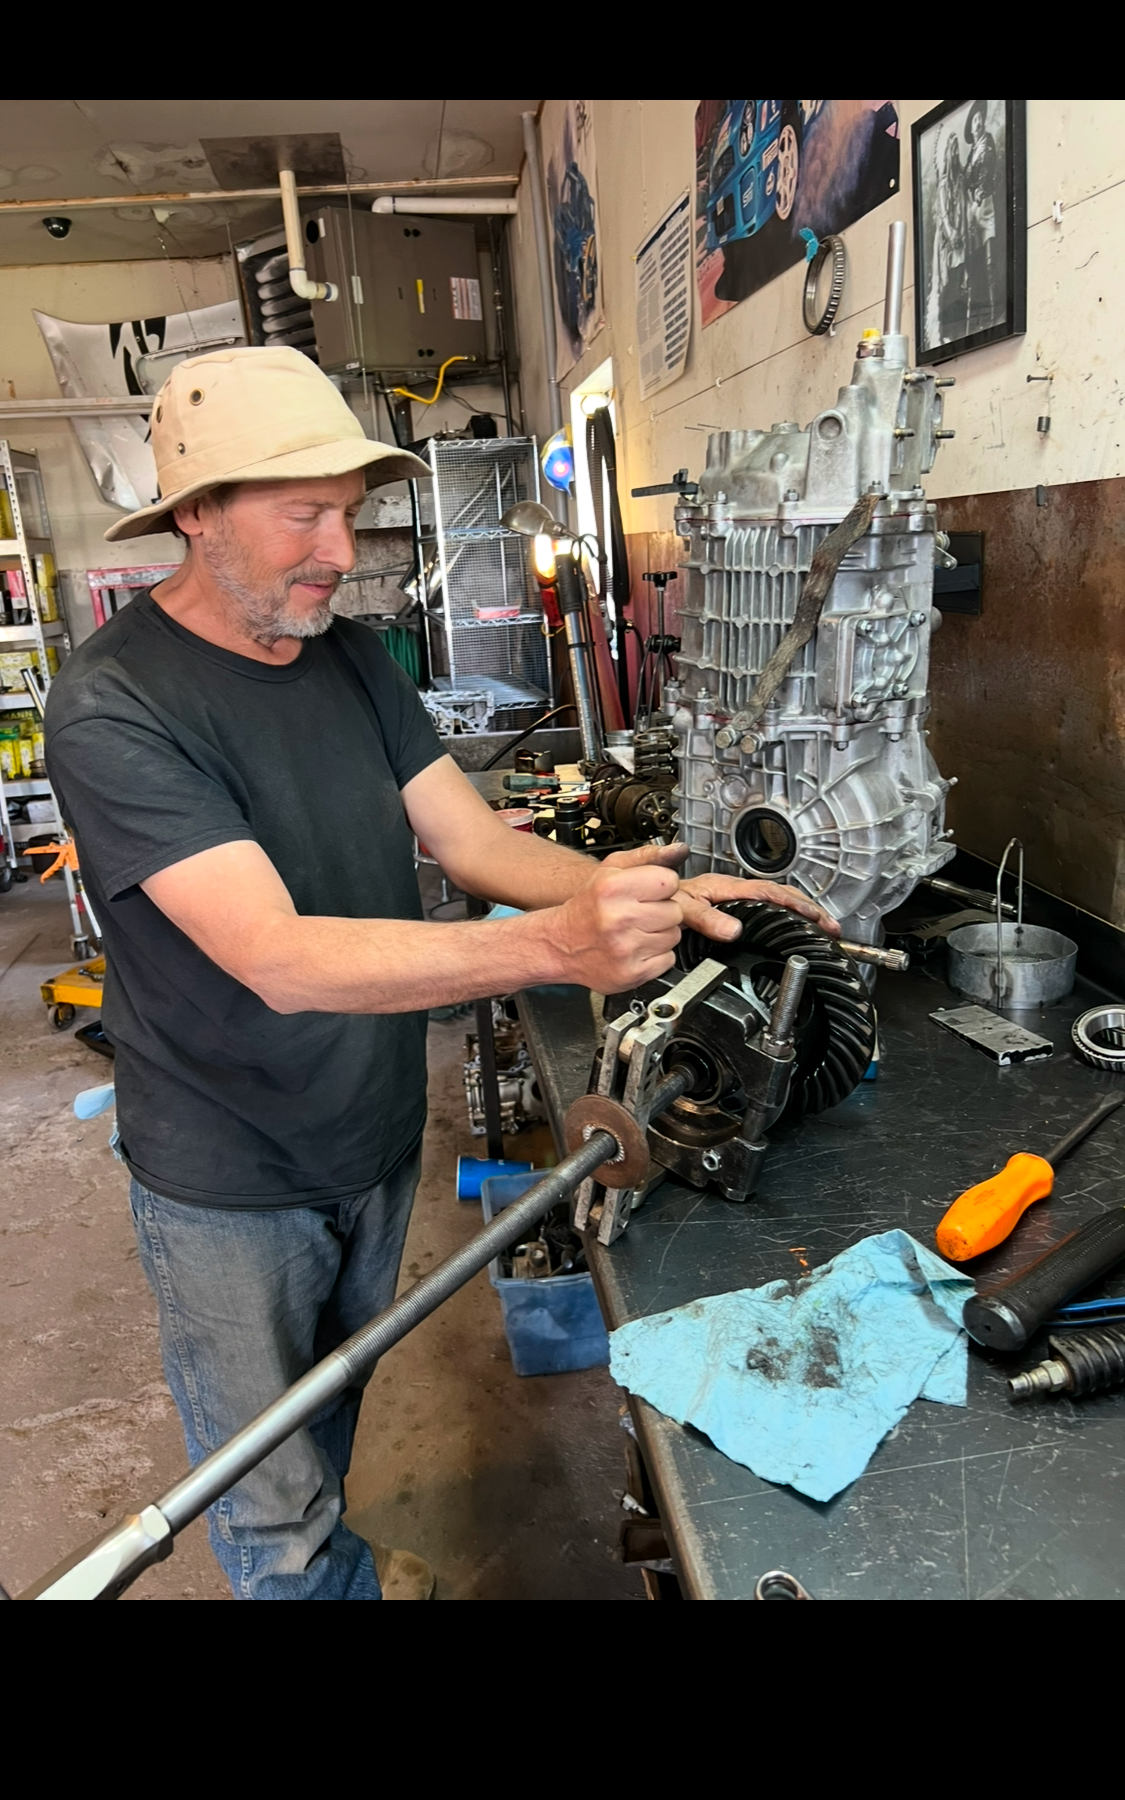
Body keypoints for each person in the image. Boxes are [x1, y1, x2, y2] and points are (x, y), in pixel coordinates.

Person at [45, 345, 837, 1603]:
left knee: (339, 1408)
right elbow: (279, 958)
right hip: (227, 1174)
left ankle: (341, 1565)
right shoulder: (114, 704)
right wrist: (556, 949)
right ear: (195, 514)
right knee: (269, 1505)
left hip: (369, 1130)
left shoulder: (354, 658)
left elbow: (470, 841)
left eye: (347, 514)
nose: (334, 548)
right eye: (301, 513)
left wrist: (658, 893)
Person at [927, 126, 967, 347]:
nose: (954, 154)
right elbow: (942, 214)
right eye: (951, 150)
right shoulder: (943, 184)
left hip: (960, 240)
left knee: (959, 281)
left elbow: (963, 205)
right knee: (947, 283)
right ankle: (944, 331)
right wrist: (952, 234)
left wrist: (961, 233)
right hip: (946, 242)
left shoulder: (959, 181)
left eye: (956, 150)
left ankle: (958, 329)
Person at [963, 100, 1000, 331]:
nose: (978, 123)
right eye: (975, 119)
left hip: (985, 205)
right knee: (973, 264)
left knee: (989, 259)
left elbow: (987, 173)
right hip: (972, 210)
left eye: (980, 119)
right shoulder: (971, 152)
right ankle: (976, 316)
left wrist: (977, 198)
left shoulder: (987, 144)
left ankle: (995, 313)